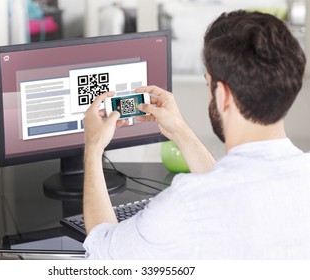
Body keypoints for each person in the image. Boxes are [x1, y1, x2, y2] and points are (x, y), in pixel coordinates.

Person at [82, 10, 310, 259]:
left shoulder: (186, 203)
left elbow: (101, 253)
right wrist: (179, 130)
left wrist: (93, 149)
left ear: (222, 95)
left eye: (207, 83)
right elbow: (225, 190)